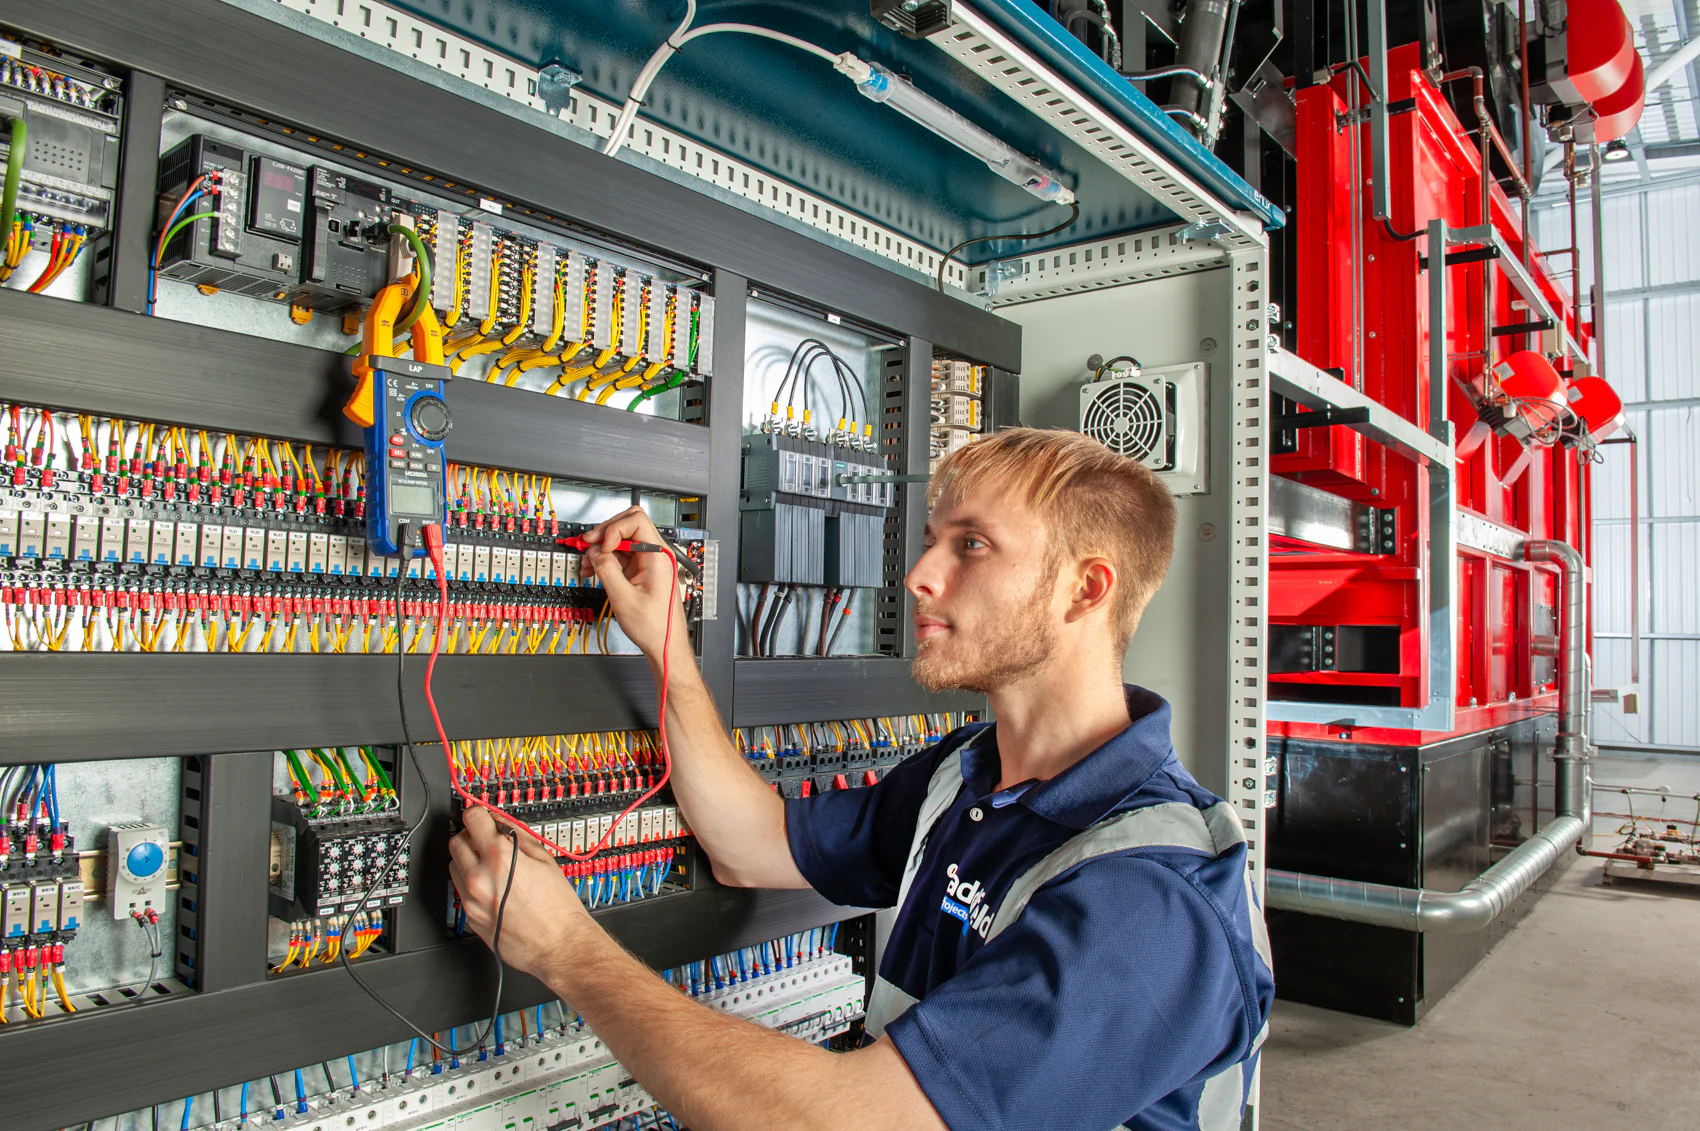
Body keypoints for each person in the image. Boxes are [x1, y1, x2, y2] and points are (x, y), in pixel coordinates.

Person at [449, 427, 1274, 1131]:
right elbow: (751, 843)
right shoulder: (968, 775)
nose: (919, 574)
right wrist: (669, 646)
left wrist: (566, 950)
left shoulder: (1156, 898)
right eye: (930, 537)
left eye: (971, 544)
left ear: (1084, 588)